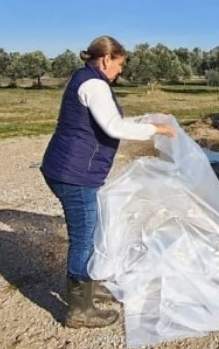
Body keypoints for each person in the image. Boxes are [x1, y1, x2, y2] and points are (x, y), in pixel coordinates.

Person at [40, 36, 177, 329]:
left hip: (69, 169)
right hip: (73, 174)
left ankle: (87, 288)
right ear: (105, 60)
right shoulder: (95, 84)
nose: (120, 72)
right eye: (119, 64)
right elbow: (113, 126)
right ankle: (79, 309)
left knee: (91, 229)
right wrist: (156, 129)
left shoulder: (85, 79)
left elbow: (108, 120)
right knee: (84, 239)